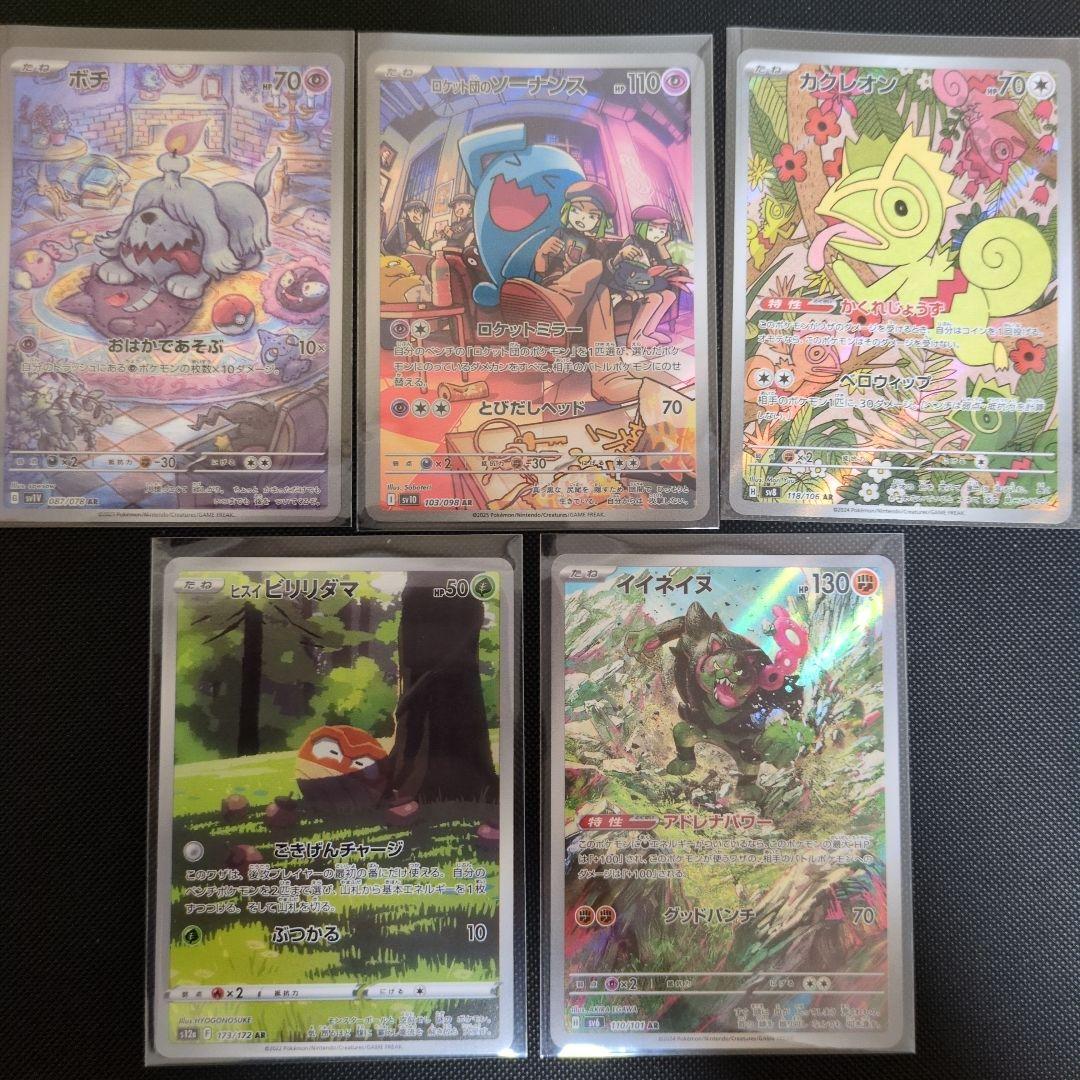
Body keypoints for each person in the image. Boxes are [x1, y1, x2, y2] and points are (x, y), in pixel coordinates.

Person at [500, 180, 645, 405]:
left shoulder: (597, 247)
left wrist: (618, 258)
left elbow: (604, 276)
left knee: (600, 288)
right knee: (596, 273)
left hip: (571, 304)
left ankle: (607, 378)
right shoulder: (560, 234)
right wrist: (543, 254)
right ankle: (606, 377)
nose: (582, 218)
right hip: (551, 291)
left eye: (591, 215)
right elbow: (541, 270)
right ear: (568, 211)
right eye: (577, 210)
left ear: (599, 221)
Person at [622, 204, 682, 348]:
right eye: (652, 228)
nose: (657, 233)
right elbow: (627, 271)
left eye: (662, 230)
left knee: (669, 295)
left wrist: (661, 246)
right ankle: (634, 338)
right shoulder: (632, 242)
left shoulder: (654, 245)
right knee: (655, 297)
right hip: (628, 285)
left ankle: (649, 331)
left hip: (648, 284)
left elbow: (668, 266)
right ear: (641, 227)